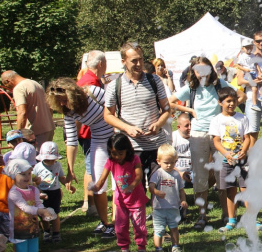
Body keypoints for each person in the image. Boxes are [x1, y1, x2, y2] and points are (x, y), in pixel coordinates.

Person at [169, 58, 235, 228]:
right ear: (194, 71)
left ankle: (226, 214)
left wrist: (227, 113)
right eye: (198, 70)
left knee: (223, 173)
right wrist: (189, 110)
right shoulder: (191, 87)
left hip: (218, 134)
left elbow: (238, 96)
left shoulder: (219, 83)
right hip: (198, 134)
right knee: (199, 176)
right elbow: (170, 102)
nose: (201, 73)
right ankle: (202, 216)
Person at [46, 77, 115, 238]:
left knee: (118, 182)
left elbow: (116, 107)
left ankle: (116, 220)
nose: (62, 104)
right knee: (97, 182)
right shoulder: (68, 112)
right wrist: (70, 170)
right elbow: (71, 140)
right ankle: (106, 223)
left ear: (73, 94)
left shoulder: (93, 92)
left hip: (117, 136)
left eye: (64, 100)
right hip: (97, 139)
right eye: (59, 102)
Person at [103, 43, 171, 187]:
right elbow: (108, 115)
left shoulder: (155, 80)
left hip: (156, 145)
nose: (139, 64)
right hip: (131, 147)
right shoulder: (114, 86)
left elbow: (167, 110)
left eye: (140, 59)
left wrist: (158, 124)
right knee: (135, 192)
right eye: (134, 60)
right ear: (124, 62)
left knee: (159, 189)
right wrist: (127, 128)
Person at [209, 87, 259, 233]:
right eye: (228, 101)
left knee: (246, 188)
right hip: (227, 161)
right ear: (220, 102)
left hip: (243, 160)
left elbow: (247, 138)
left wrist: (243, 151)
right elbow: (216, 141)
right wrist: (226, 154)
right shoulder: (217, 120)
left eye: (234, 100)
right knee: (230, 191)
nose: (231, 104)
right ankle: (232, 220)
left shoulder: (242, 118)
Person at [90, 133, 149, 252]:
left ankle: (141, 247)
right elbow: (102, 178)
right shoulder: (111, 162)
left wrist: (132, 186)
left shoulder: (134, 159)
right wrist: (96, 187)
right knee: (120, 227)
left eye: (120, 153)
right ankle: (124, 248)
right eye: (113, 153)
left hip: (136, 200)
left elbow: (139, 175)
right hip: (121, 201)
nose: (117, 156)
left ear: (127, 150)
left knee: (139, 226)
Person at [6, 158, 55, 252]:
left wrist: (43, 211)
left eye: (29, 173)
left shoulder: (34, 190)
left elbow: (38, 203)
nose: (27, 177)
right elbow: (25, 207)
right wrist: (40, 211)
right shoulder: (14, 193)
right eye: (23, 174)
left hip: (33, 227)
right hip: (19, 229)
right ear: (14, 175)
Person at [77, 50, 107, 217]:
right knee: (91, 168)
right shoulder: (89, 82)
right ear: (101, 64)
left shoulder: (90, 79)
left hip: (90, 130)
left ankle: (90, 203)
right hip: (90, 131)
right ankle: (90, 204)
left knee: (92, 166)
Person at [237, 31, 262, 146]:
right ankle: (252, 163)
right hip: (252, 99)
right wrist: (254, 81)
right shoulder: (247, 58)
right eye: (258, 41)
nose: (261, 43)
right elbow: (239, 80)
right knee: (252, 133)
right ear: (254, 42)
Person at [148, 144, 187, 252]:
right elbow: (151, 187)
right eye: (166, 162)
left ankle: (175, 247)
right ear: (159, 161)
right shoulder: (158, 173)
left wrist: (183, 200)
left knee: (174, 228)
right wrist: (156, 192)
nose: (169, 165)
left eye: (173, 162)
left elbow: (181, 190)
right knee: (159, 230)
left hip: (173, 207)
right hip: (159, 208)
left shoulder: (176, 174)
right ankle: (158, 248)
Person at [0, 71, 56, 146]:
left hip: (34, 134)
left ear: (8, 81)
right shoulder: (36, 84)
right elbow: (49, 107)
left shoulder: (19, 88)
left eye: (8, 86)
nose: (10, 89)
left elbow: (22, 112)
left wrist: (17, 135)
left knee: (32, 156)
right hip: (48, 128)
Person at [33, 141, 71, 243]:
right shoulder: (37, 167)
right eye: (47, 160)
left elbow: (61, 177)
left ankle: (56, 233)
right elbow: (33, 181)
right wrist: (38, 191)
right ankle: (46, 231)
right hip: (42, 193)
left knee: (55, 214)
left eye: (52, 159)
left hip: (55, 192)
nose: (50, 162)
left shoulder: (57, 165)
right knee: (43, 215)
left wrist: (67, 184)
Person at [236, 37, 262, 112]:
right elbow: (237, 65)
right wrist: (244, 69)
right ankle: (254, 104)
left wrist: (259, 71)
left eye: (249, 47)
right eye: (246, 48)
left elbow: (256, 64)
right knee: (255, 88)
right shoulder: (242, 57)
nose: (248, 49)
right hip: (248, 73)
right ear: (243, 48)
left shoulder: (253, 56)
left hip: (254, 72)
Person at [171, 113, 193, 184]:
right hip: (176, 172)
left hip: (194, 172)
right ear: (178, 127)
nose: (190, 128)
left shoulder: (196, 137)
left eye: (191, 125)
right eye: (186, 126)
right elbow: (167, 160)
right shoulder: (173, 138)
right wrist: (180, 173)